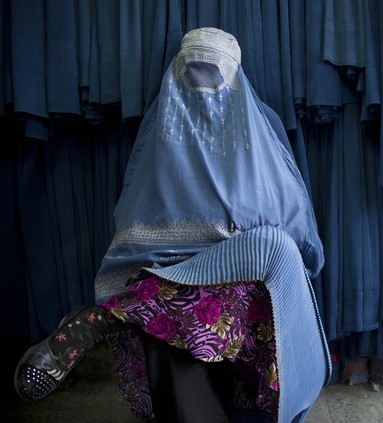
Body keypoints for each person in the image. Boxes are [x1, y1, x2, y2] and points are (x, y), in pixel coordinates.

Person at [14, 27, 331, 423]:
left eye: (216, 77)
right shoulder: (163, 135)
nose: (204, 91)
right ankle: (128, 310)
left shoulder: (259, 130)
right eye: (193, 77)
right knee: (181, 306)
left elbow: (296, 243)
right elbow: (132, 246)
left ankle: (108, 316)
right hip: (171, 291)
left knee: (272, 246)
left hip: (254, 294)